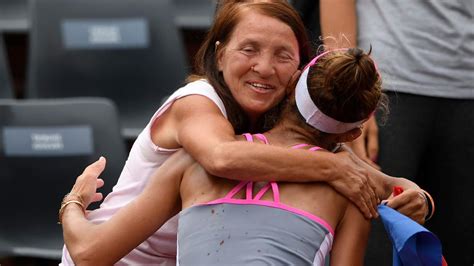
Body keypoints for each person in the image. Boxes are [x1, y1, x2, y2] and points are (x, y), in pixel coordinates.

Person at [61, 48, 423, 265]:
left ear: (289, 87)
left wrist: (73, 202)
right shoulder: (351, 191)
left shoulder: (190, 165)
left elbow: (90, 256)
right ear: (353, 133)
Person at [320, 0, 474, 264]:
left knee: (458, 247)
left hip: (466, 92)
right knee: (376, 244)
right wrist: (350, 92)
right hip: (386, 86)